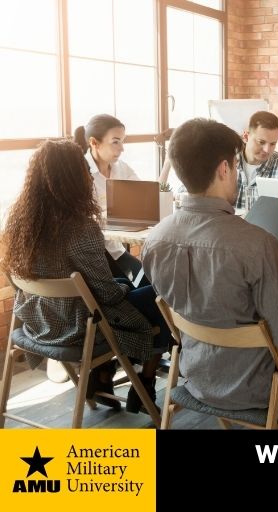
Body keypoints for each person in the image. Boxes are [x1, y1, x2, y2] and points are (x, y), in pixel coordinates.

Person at [141, 118, 278, 429]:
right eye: (233, 165)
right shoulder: (257, 244)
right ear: (223, 169)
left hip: (195, 376)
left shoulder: (154, 240)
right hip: (261, 383)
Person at [1, 140, 171, 414]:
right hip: (78, 327)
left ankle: (102, 374)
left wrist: (121, 285)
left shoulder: (20, 221)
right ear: (75, 179)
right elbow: (106, 294)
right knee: (161, 294)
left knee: (127, 285)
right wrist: (123, 288)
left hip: (38, 320)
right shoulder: (80, 228)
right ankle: (147, 379)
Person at [74, 114, 149, 287]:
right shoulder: (78, 173)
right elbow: (80, 222)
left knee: (152, 281)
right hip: (93, 255)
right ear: (94, 142)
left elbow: (147, 196)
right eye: (115, 141)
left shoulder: (121, 168)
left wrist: (168, 162)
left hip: (115, 249)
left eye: (123, 141)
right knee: (144, 287)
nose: (122, 148)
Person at [234, 111, 278, 210]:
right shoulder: (226, 161)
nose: (267, 150)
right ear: (246, 136)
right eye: (261, 142)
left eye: (272, 144)